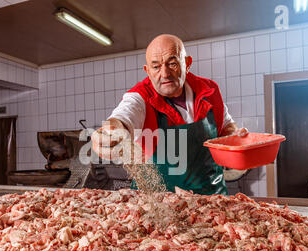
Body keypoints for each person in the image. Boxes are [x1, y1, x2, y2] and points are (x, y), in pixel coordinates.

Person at [91, 34, 247, 195]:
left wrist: (235, 136)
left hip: (211, 200)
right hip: (156, 207)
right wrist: (110, 132)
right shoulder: (140, 97)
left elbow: (226, 125)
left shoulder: (208, 90)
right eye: (156, 67)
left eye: (172, 64)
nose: (164, 74)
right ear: (147, 71)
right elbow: (123, 117)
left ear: (187, 64)